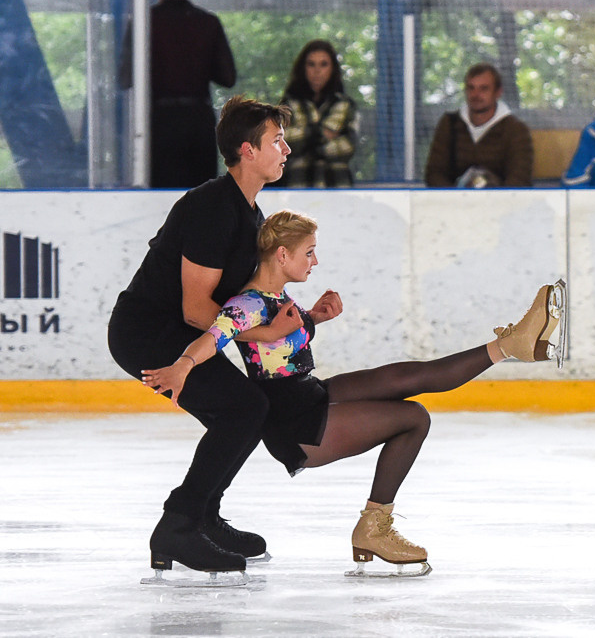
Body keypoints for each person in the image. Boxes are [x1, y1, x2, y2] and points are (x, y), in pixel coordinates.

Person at [140, 209, 567, 576]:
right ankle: (373, 527)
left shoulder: (276, 299)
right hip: (296, 424)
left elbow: (274, 341)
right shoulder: (248, 304)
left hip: (309, 394)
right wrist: (184, 365)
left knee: (408, 377)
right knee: (413, 417)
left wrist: (312, 319)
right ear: (282, 254)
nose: (315, 261)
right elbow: (215, 335)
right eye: (308, 252)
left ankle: (511, 345)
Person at [107, 95, 294, 576]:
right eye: (277, 140)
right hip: (147, 332)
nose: (286, 149)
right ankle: (180, 525)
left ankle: (202, 516)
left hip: (175, 331)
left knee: (245, 410)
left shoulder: (247, 211)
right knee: (244, 408)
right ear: (247, 150)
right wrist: (265, 334)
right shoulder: (213, 206)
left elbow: (237, 301)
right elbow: (195, 309)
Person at [119, 0, 237, 189]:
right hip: (198, 122)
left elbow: (125, 79)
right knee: (201, 198)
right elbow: (227, 77)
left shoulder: (145, 23)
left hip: (158, 122)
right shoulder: (208, 23)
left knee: (160, 197)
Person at [424, 63, 534, 188]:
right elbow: (434, 173)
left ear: (498, 92)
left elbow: (519, 179)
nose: (476, 94)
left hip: (501, 205)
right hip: (453, 204)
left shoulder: (516, 130)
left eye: (484, 88)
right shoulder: (449, 124)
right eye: (471, 88)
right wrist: (455, 199)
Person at [280, 40, 360, 188]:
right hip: (296, 185)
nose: (317, 70)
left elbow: (348, 147)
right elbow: (283, 141)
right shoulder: (289, 105)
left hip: (338, 187)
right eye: (311, 64)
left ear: (333, 68)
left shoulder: (344, 104)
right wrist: (320, 133)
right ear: (302, 68)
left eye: (324, 64)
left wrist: (304, 142)